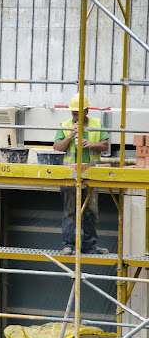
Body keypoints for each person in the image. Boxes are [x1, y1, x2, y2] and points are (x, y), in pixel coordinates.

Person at [53, 94, 109, 255]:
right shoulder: (64, 125)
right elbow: (57, 148)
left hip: (90, 175)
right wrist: (71, 135)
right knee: (70, 211)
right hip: (70, 174)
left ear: (86, 111)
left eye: (78, 113)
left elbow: (105, 145)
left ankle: (89, 245)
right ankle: (68, 245)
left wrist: (90, 144)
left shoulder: (96, 124)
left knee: (91, 211)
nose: (75, 116)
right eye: (73, 113)